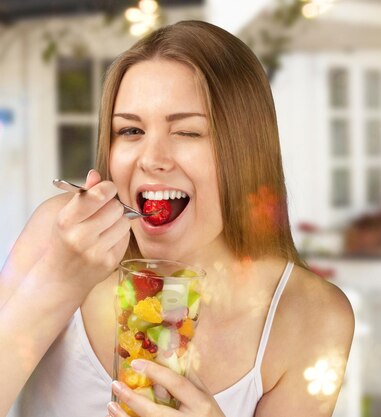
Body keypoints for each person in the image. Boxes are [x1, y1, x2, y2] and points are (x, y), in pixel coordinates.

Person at [0, 20, 354, 417]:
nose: (152, 159)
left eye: (187, 132)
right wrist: (58, 279)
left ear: (246, 150)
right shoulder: (58, 235)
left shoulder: (310, 317)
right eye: (131, 130)